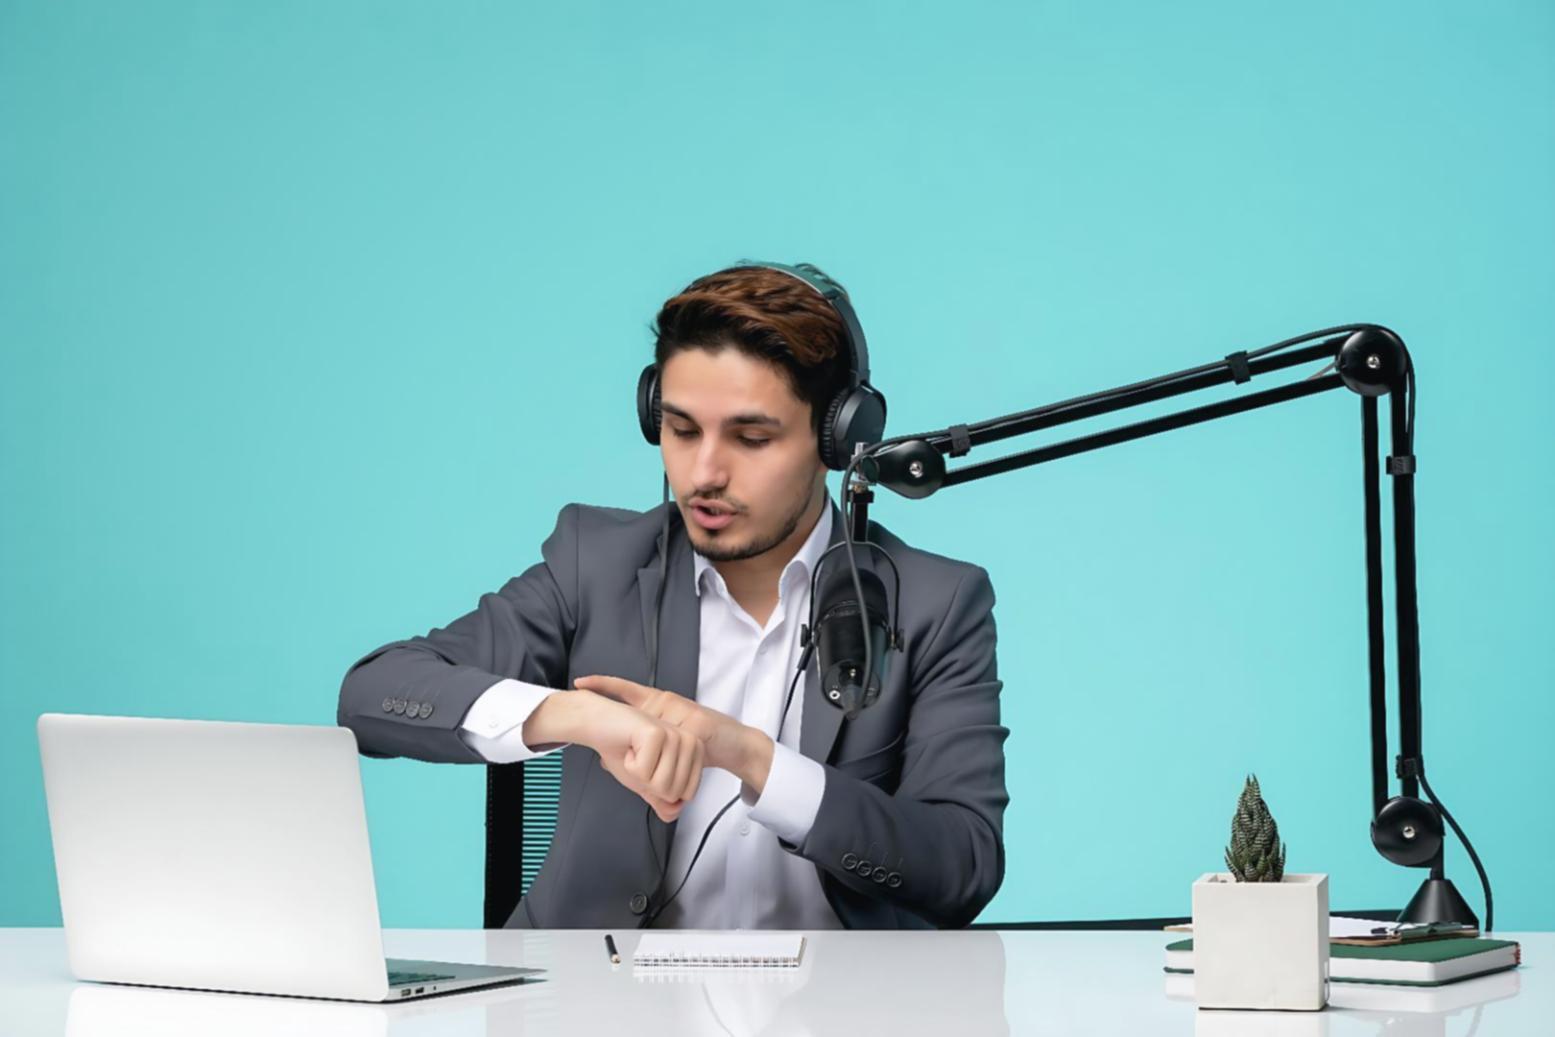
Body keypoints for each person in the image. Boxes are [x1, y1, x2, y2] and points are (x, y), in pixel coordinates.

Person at [337, 262, 1009, 929]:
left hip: (836, 1011)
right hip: (590, 1007)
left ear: (838, 441)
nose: (704, 472)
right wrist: (576, 716)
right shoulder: (595, 562)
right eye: (681, 430)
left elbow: (961, 866)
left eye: (750, 438)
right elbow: (372, 695)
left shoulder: (933, 601)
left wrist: (755, 760)